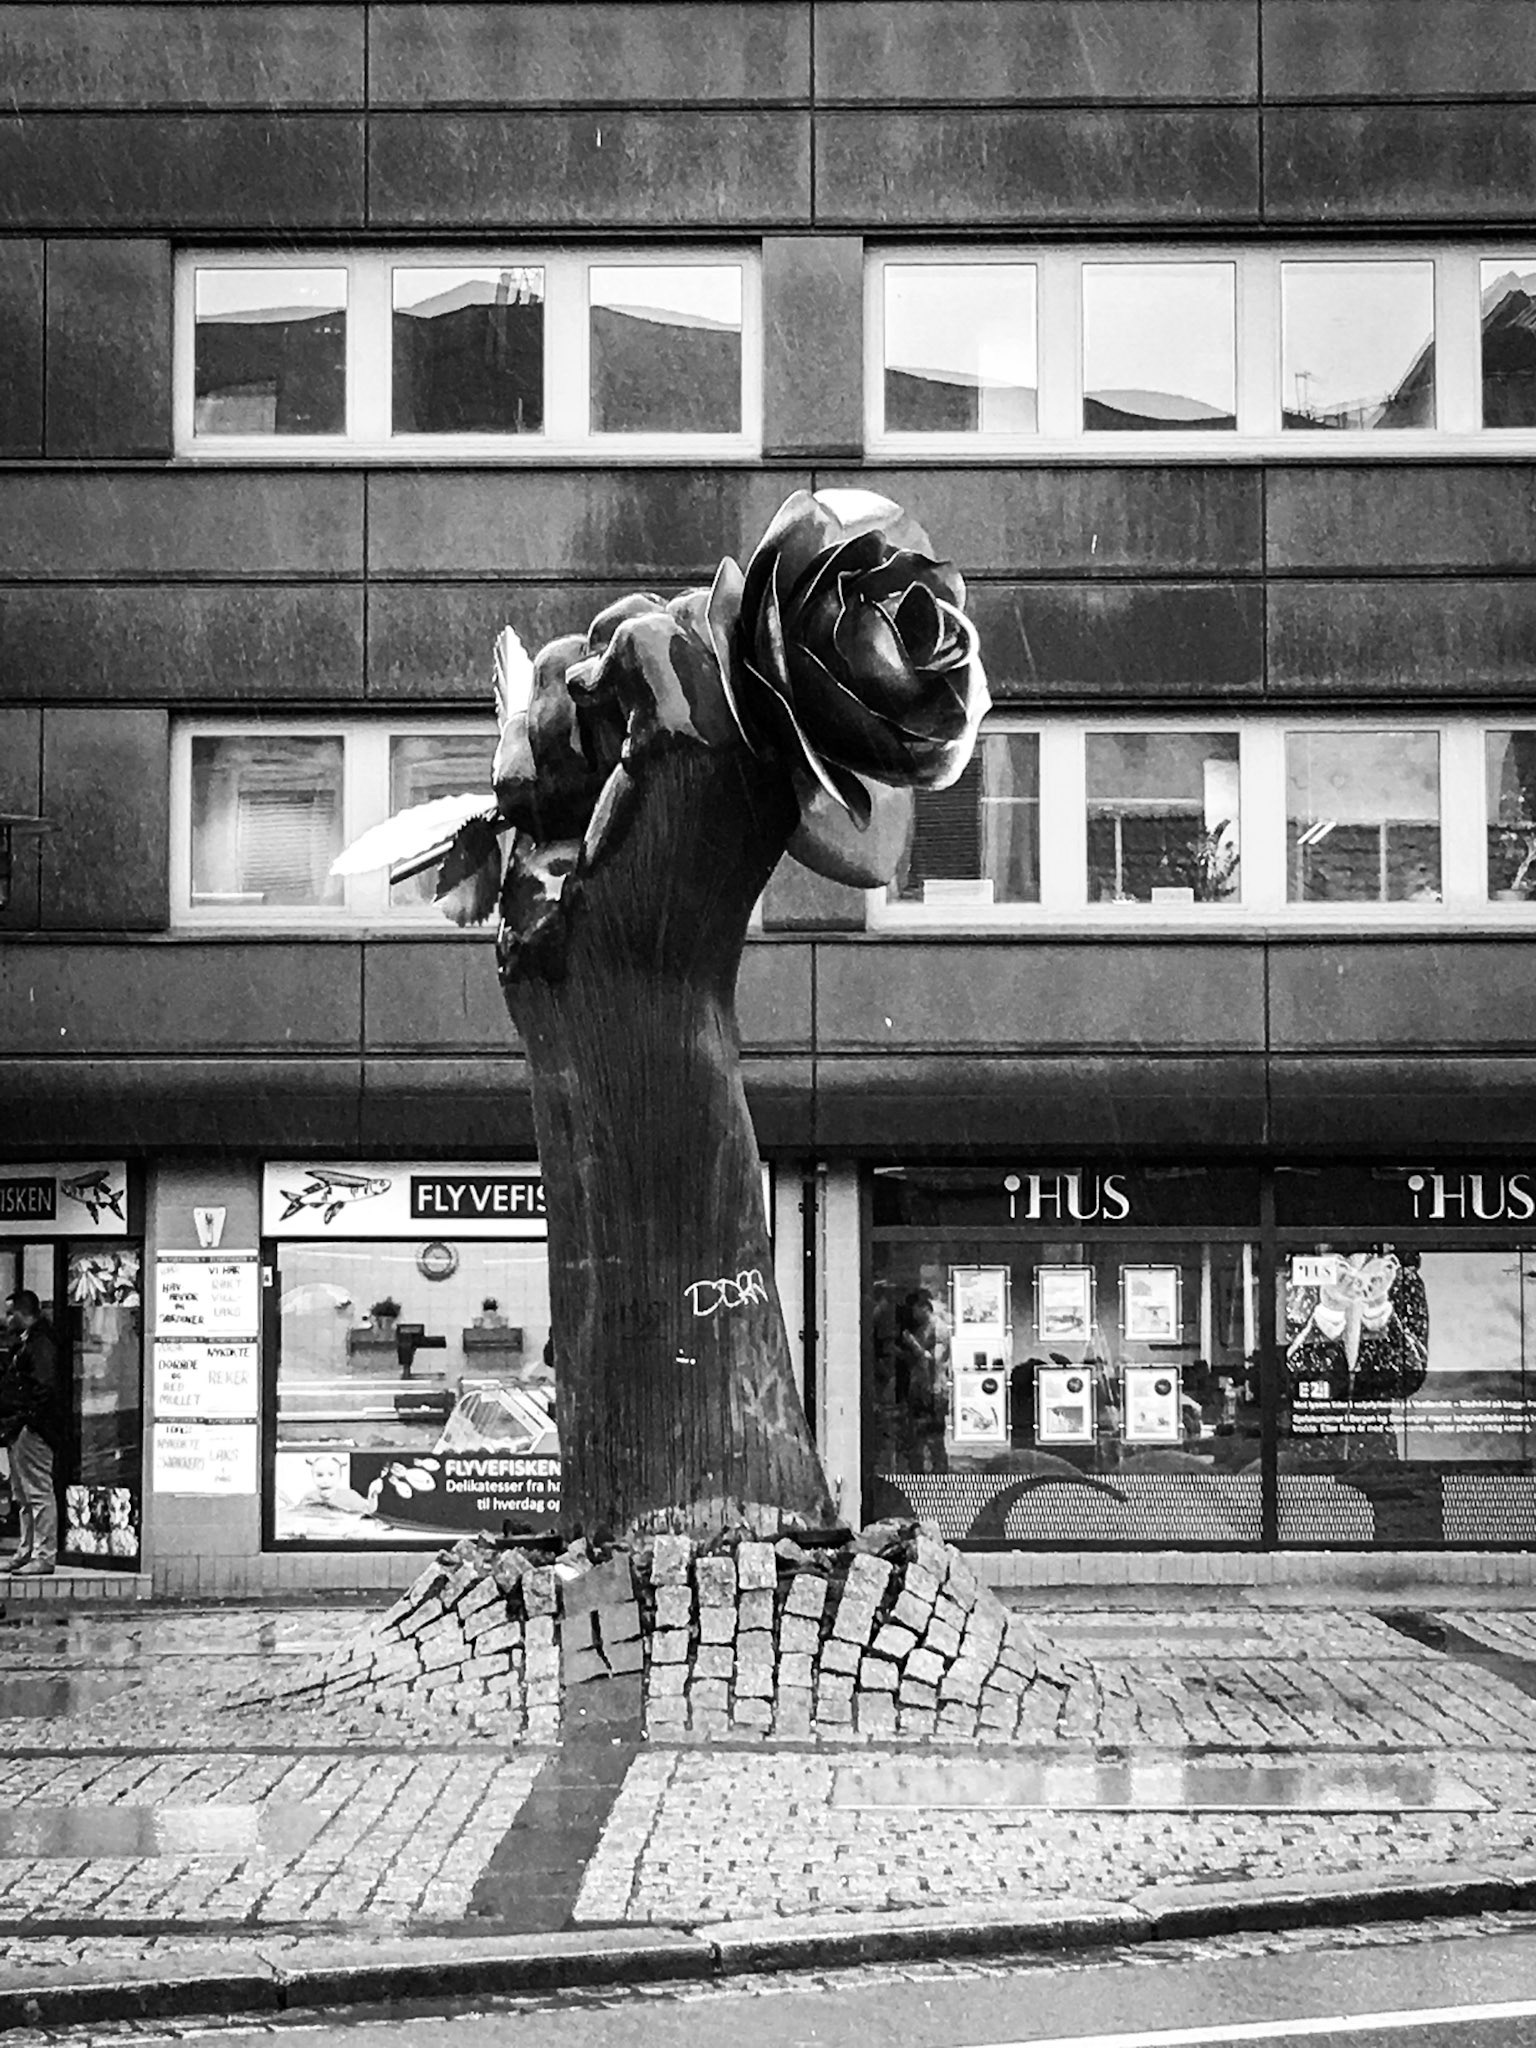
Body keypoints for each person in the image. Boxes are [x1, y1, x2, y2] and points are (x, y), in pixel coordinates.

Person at [0, 1290, 62, 1576]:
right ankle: (26, 1551)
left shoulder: (40, 1344)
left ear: (23, 1313)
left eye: (10, 1313)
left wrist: (28, 1421)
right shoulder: (26, 1342)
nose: (6, 1319)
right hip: (19, 1427)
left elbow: (43, 1388)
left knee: (37, 1492)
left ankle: (44, 1555)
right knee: (23, 1496)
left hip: (32, 1429)